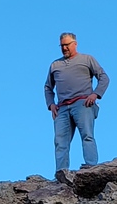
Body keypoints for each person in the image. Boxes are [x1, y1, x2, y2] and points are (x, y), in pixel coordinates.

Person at [44, 32, 110, 174]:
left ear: (75, 44)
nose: (64, 48)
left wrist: (95, 94)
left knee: (87, 135)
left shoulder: (87, 59)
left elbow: (104, 78)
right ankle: (61, 172)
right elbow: (48, 87)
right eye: (62, 46)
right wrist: (51, 104)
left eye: (67, 45)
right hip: (62, 108)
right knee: (60, 141)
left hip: (82, 103)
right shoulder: (55, 65)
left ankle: (91, 167)